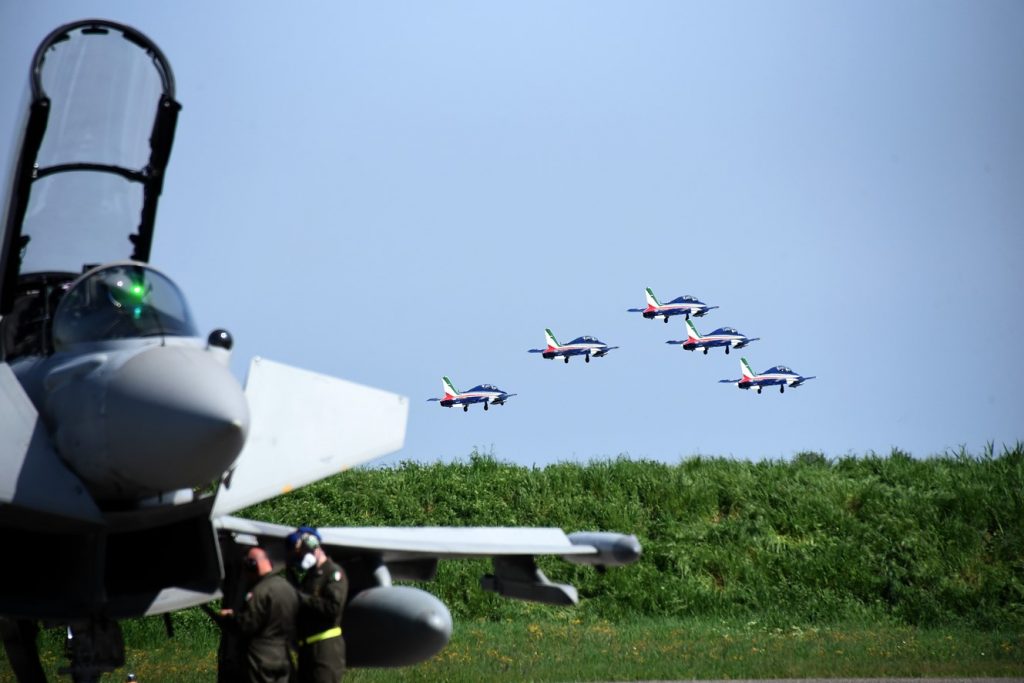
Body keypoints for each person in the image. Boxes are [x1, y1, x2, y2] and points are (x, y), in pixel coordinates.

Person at [219, 546, 298, 683]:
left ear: (252, 565)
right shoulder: (287, 588)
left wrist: (231, 618)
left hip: (261, 658)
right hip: (283, 655)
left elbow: (248, 625)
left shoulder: (259, 591)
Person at [286, 527, 348, 683]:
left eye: (301, 551)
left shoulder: (333, 573)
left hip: (325, 651)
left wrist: (301, 597)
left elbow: (332, 608)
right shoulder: (311, 576)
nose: (300, 556)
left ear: (313, 546)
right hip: (307, 650)